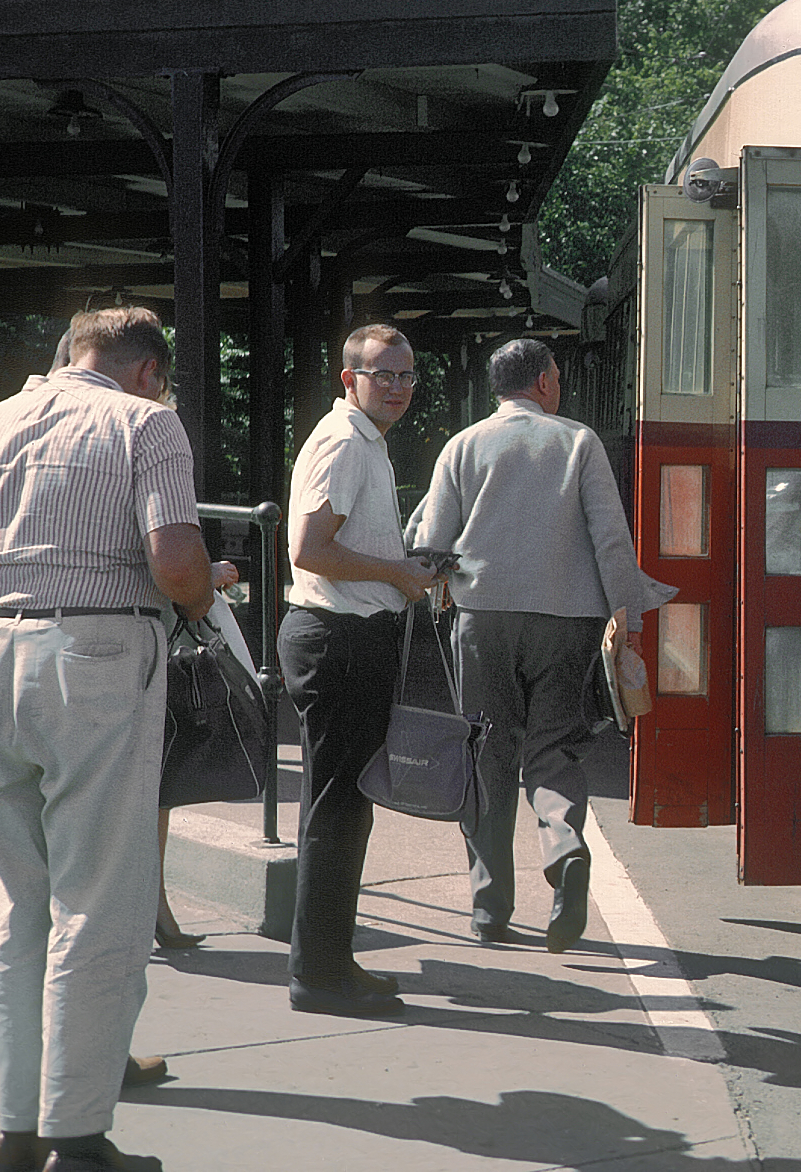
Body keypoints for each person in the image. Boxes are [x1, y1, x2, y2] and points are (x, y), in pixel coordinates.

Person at [0, 306, 219, 1172]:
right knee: (99, 900)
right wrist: (210, 589)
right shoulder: (148, 423)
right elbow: (175, 562)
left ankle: (16, 1129)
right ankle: (77, 1135)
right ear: (146, 370)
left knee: (20, 897)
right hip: (95, 656)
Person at [411, 338, 674, 953]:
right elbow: (611, 540)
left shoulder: (463, 445)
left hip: (483, 619)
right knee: (555, 749)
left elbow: (431, 543)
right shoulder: (579, 442)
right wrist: (626, 621)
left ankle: (489, 909)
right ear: (545, 383)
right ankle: (565, 853)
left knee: (488, 753)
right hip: (567, 624)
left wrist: (431, 599)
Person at [278, 323, 438, 1017]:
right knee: (338, 810)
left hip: (343, 635)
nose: (398, 388)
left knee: (340, 808)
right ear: (351, 379)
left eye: (407, 376)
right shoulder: (346, 442)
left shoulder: (360, 440)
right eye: (384, 375)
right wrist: (398, 573)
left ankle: (329, 960)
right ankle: (319, 973)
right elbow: (311, 549)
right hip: (338, 638)